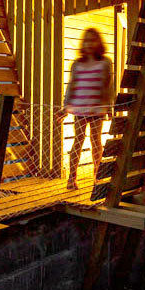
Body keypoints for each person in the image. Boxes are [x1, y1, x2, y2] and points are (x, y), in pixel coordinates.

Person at [57, 28, 114, 190]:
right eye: (87, 40)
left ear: (99, 43)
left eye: (93, 40)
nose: (89, 44)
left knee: (96, 142)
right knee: (78, 140)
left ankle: (98, 176)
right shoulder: (77, 64)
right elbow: (71, 87)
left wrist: (109, 106)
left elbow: (108, 87)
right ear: (83, 43)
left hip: (97, 109)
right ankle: (71, 178)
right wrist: (64, 107)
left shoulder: (105, 63)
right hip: (80, 109)